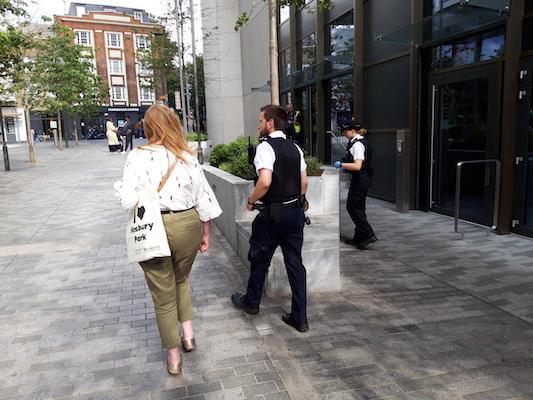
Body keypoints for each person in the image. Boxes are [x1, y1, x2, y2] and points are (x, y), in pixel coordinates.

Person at [114, 104, 222, 375]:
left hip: (153, 227)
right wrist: (206, 233)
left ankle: (174, 358)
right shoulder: (187, 156)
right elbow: (204, 197)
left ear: (148, 127)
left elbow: (127, 201)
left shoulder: (136, 156)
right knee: (182, 280)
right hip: (187, 224)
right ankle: (188, 336)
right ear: (174, 124)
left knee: (163, 294)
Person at [231, 104, 309, 333]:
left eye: (260, 120)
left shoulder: (265, 148)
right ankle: (300, 318)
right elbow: (304, 183)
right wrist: (300, 201)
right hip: (295, 212)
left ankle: (252, 303)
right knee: (295, 263)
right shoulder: (296, 148)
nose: (258, 125)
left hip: (273, 214)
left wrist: (251, 201)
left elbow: (265, 181)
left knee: (259, 258)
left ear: (271, 123)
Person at [334, 120, 377, 249]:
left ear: (353, 130)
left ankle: (368, 234)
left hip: (360, 178)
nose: (344, 133)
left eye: (346, 131)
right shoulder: (361, 141)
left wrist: (341, 164)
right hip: (364, 178)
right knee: (359, 208)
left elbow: (357, 166)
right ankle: (359, 238)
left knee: (353, 207)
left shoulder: (357, 145)